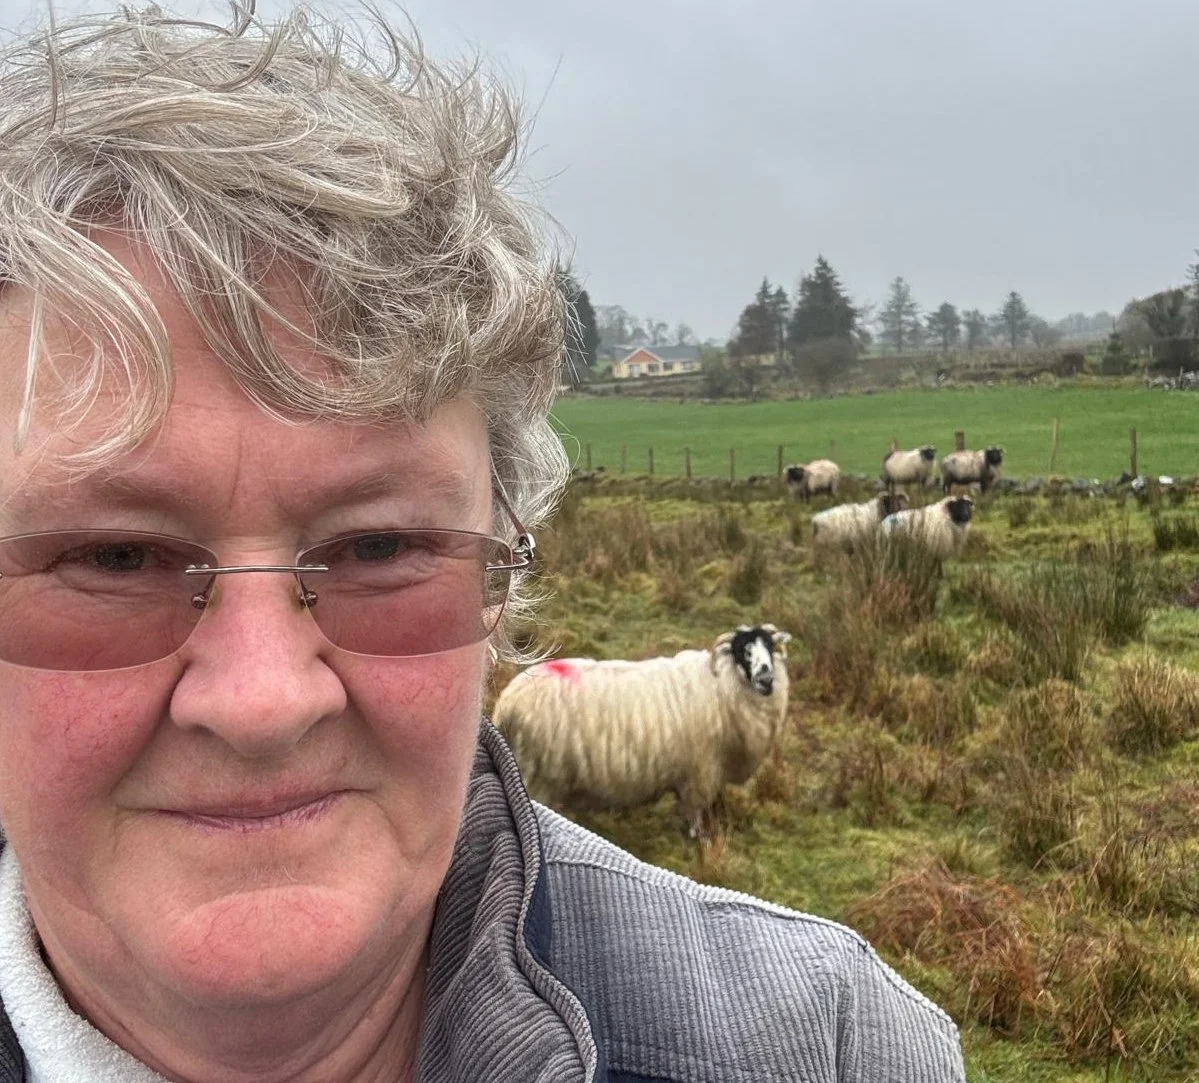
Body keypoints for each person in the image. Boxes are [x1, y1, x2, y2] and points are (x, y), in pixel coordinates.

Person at [0, 5, 966, 1081]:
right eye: (113, 559)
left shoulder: (827, 1049)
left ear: (501, 578)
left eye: (377, 549)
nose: (264, 701)